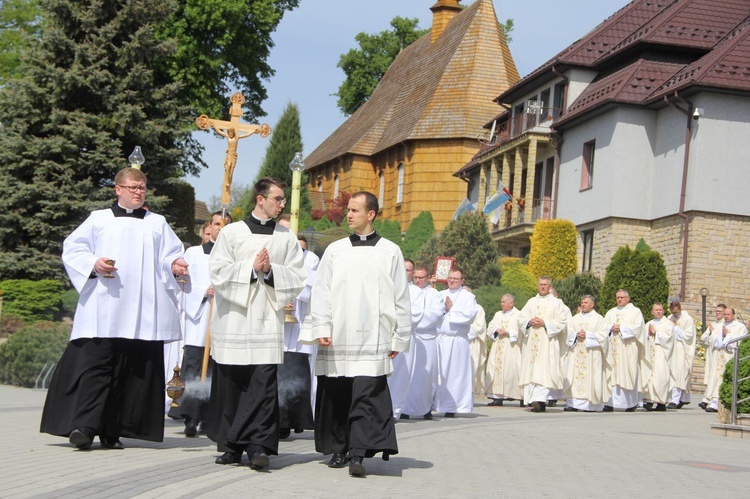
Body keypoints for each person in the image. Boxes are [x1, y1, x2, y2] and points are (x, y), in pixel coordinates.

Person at [40, 167, 189, 450]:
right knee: (94, 369)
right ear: (117, 189)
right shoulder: (98, 220)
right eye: (132, 187)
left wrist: (175, 265)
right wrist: (93, 264)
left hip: (143, 313)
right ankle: (83, 426)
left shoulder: (157, 223)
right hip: (104, 310)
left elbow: (170, 255)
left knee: (131, 372)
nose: (138, 192)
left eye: (142, 187)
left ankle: (113, 431)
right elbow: (73, 249)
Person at [307, 191, 411, 477]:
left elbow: (401, 297)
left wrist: (398, 337)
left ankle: (358, 453)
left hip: (374, 336)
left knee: (365, 395)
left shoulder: (390, 251)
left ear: (371, 214)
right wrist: (321, 327)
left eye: (355, 210)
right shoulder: (335, 250)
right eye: (349, 210)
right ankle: (339, 449)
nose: (348, 215)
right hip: (338, 335)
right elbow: (322, 291)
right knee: (338, 394)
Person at [207, 178, 306, 470]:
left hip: (266, 323)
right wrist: (251, 268)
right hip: (235, 322)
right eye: (278, 198)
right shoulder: (232, 233)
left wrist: (271, 270)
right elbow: (218, 271)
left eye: (284, 199)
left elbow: (298, 276)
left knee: (263, 387)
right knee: (233, 384)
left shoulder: (286, 237)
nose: (282, 203)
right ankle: (231, 446)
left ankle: (259, 446)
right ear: (260, 199)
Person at [167, 211, 231, 437]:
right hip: (199, 318)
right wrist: (204, 291)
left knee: (217, 372)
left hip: (224, 320)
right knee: (195, 368)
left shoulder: (234, 255)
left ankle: (209, 418)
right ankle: (191, 417)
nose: (220, 228)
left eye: (225, 224)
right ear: (209, 228)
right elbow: (183, 285)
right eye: (216, 224)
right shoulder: (193, 253)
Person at [275, 214, 317, 439]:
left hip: (298, 325)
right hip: (273, 325)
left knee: (294, 373)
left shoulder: (310, 259)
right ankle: (276, 419)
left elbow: (314, 286)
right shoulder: (271, 250)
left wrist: (295, 292)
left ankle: (294, 419)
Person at [518, 276, 569, 413]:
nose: (543, 287)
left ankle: (540, 401)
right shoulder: (531, 302)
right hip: (532, 343)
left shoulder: (557, 303)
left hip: (547, 342)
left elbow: (562, 322)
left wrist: (545, 323)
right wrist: (529, 322)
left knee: (544, 371)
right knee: (531, 371)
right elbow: (520, 318)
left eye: (545, 285)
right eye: (541, 284)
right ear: (538, 285)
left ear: (549, 286)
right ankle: (533, 400)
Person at [434, 269, 479, 417]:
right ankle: (434, 404)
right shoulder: (440, 294)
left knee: (455, 375)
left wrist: (452, 309)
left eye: (455, 278)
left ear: (462, 280)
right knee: (438, 373)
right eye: (450, 278)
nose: (452, 281)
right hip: (440, 339)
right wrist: (443, 310)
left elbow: (469, 316)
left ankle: (452, 407)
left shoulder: (468, 297)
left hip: (456, 341)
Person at [403, 264, 444, 420]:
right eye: (416, 277)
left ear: (428, 278)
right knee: (409, 375)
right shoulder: (408, 291)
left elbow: (435, 315)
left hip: (427, 339)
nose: (418, 280)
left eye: (421, 277)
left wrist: (416, 319)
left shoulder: (434, 294)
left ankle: (425, 408)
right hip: (411, 337)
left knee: (426, 376)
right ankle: (405, 408)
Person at [563, 295, 610, 412]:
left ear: (592, 304)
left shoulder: (599, 319)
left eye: (585, 302)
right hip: (576, 353)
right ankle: (573, 404)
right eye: (582, 302)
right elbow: (566, 334)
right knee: (574, 376)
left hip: (592, 354)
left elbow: (604, 337)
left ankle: (591, 405)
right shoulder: (574, 319)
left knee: (591, 377)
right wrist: (575, 335)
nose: (583, 304)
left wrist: (588, 335)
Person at [388, 258, 422, 420]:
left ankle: (395, 410)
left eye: (408, 270)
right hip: (385, 335)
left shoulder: (416, 292)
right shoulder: (388, 287)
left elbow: (416, 315)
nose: (404, 272)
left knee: (400, 376)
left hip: (404, 335)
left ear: (413, 273)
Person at [603, 290, 645, 412]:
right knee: (612, 373)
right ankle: (610, 403)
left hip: (628, 348)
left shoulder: (635, 311)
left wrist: (622, 328)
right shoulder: (611, 312)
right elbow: (603, 326)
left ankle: (629, 403)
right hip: (613, 348)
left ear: (628, 298)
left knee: (628, 372)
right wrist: (610, 327)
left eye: (622, 297)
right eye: (617, 297)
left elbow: (639, 327)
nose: (619, 299)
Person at [704, 306, 748, 412]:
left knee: (724, 378)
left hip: (730, 355)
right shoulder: (720, 325)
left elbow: (739, 341)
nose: (726, 316)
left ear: (733, 315)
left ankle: (722, 402)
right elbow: (712, 340)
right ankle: (714, 402)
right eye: (725, 314)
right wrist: (718, 336)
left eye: (728, 314)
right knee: (715, 378)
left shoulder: (740, 327)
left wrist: (727, 335)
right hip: (719, 355)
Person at [485, 294, 523, 406]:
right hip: (498, 346)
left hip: (511, 347)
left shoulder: (519, 315)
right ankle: (497, 397)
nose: (501, 304)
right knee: (496, 370)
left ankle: (518, 396)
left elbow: (522, 332)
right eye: (501, 302)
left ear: (511, 303)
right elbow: (490, 327)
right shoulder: (498, 314)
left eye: (503, 302)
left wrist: (508, 333)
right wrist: (496, 330)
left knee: (512, 371)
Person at [641, 303, 675, 412]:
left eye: (660, 310)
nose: (658, 312)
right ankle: (649, 401)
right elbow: (643, 337)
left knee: (660, 377)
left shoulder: (668, 324)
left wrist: (656, 333)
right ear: (652, 311)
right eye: (656, 310)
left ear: (663, 311)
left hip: (662, 353)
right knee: (649, 376)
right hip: (650, 352)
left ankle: (661, 402)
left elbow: (669, 338)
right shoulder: (648, 324)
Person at [667, 301, 696, 409]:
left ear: (680, 309)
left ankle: (674, 400)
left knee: (680, 373)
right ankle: (684, 398)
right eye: (673, 313)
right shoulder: (669, 318)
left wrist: (676, 328)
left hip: (682, 349)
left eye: (676, 312)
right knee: (673, 373)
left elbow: (688, 336)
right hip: (672, 348)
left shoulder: (688, 319)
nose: (675, 315)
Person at [699, 304, 725, 410]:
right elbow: (704, 338)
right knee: (711, 377)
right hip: (711, 354)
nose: (717, 313)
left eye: (720, 311)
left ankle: (711, 400)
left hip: (720, 355)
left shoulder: (725, 325)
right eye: (716, 311)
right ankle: (707, 399)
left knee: (717, 378)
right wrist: (710, 332)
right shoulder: (713, 324)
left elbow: (719, 340)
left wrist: (712, 334)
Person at [466, 286, 488, 397]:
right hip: (456, 342)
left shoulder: (478, 308)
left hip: (472, 343)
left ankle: (469, 393)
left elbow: (479, 327)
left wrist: (462, 331)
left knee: (471, 369)